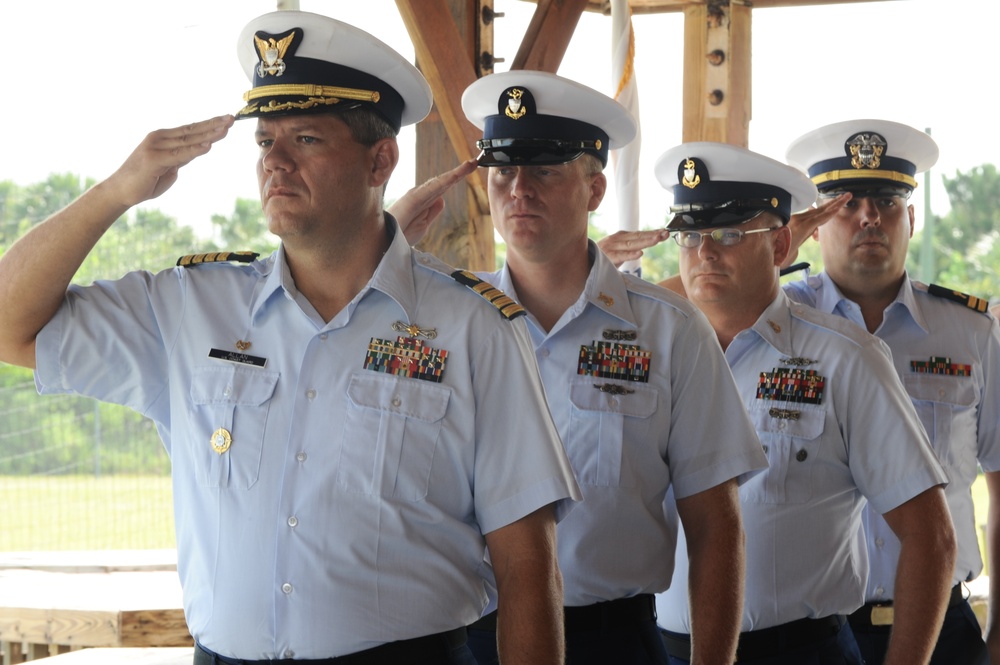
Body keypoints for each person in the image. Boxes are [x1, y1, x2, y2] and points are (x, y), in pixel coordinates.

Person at [0, 11, 584, 665]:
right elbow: (8, 325)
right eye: (263, 142)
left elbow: (529, 567)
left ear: (380, 159)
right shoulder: (191, 307)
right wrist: (118, 190)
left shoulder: (472, 327)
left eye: (305, 138)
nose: (274, 161)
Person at [395, 69, 769, 665]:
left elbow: (715, 525)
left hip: (611, 639)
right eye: (504, 172)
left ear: (594, 190)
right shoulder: (445, 323)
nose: (519, 189)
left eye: (544, 170)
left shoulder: (669, 331)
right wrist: (387, 237)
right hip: (465, 634)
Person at [649, 142, 956, 665]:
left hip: (797, 650)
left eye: (728, 233)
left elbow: (931, 538)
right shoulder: (652, 355)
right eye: (691, 235)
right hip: (661, 648)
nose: (705, 253)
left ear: (780, 244)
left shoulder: (846, 359)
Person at [784, 119, 1000, 665]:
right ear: (812, 223)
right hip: (808, 631)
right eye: (845, 201)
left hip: (944, 629)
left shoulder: (972, 333)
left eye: (885, 199)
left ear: (910, 213)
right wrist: (768, 250)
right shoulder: (771, 325)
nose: (868, 216)